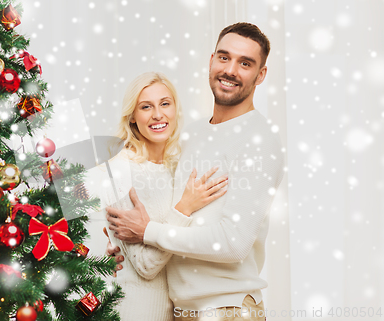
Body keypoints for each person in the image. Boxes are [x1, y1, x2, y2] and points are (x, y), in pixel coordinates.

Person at [106, 22, 285, 321]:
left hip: (229, 310)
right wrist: (114, 245)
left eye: (245, 63)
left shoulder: (260, 140)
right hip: (181, 311)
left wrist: (148, 232)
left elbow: (233, 244)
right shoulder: (191, 135)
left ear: (261, 75)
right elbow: (168, 209)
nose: (230, 70)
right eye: (224, 57)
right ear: (211, 59)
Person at [95, 72, 228, 321]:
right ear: (132, 117)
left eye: (165, 103)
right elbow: (145, 266)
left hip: (178, 310)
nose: (158, 115)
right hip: (136, 311)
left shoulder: (176, 166)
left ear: (175, 109)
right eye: (146, 107)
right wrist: (184, 208)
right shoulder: (120, 170)